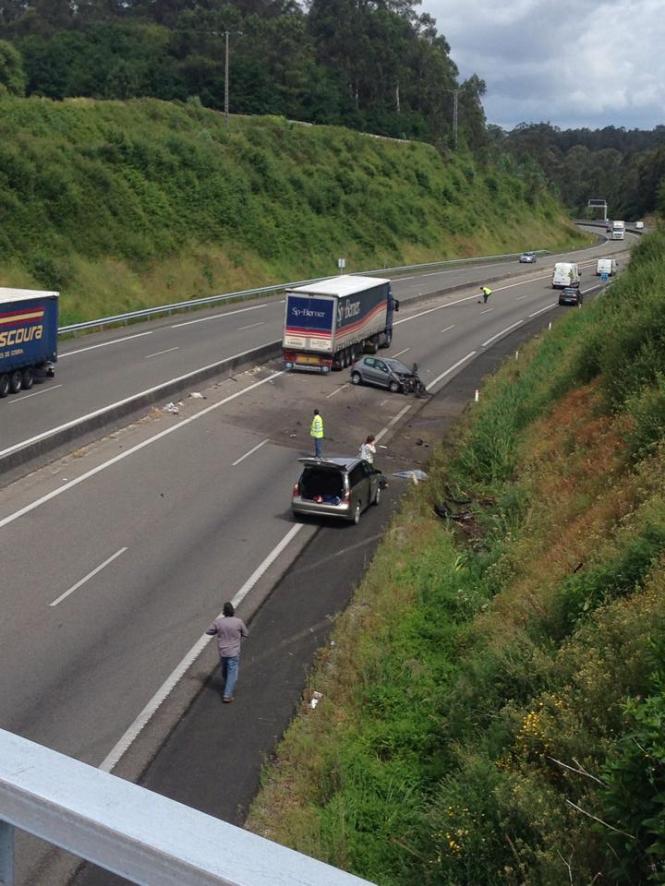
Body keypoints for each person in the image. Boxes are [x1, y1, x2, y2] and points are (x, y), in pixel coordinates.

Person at [206, 602, 248, 703]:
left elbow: (208, 631)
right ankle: (227, 695)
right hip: (233, 652)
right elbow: (246, 633)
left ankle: (227, 685)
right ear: (233, 611)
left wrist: (217, 631)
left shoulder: (218, 622)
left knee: (225, 671)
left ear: (224, 612)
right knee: (232, 673)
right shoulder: (238, 622)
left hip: (223, 652)